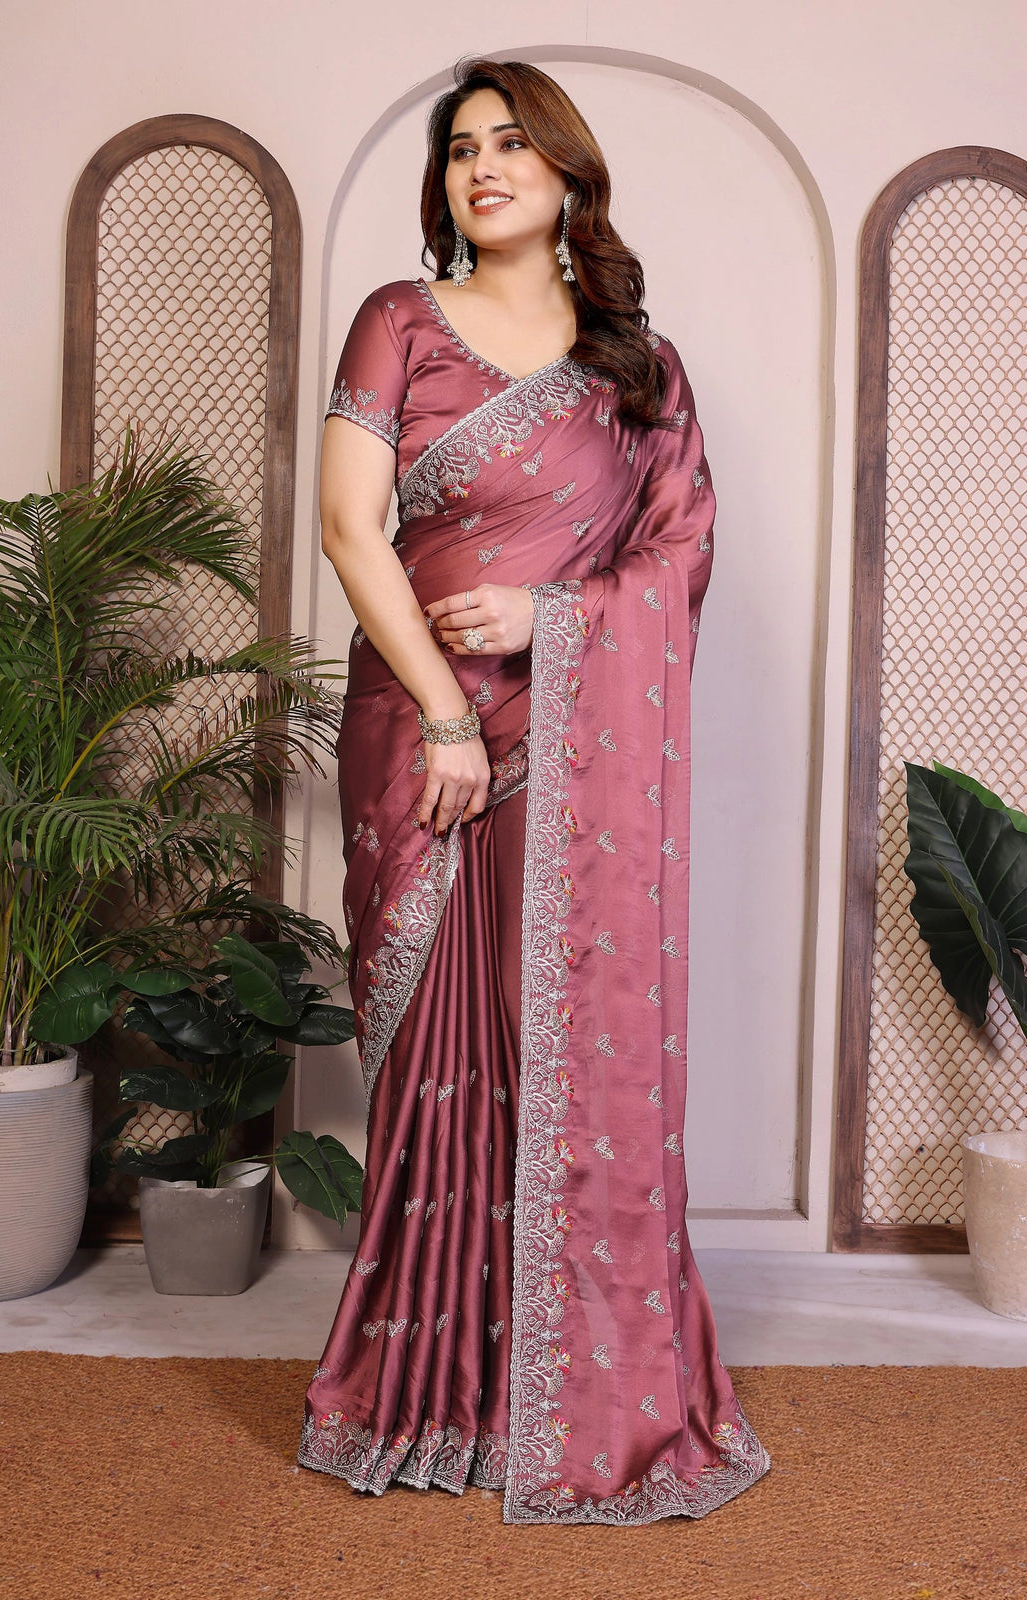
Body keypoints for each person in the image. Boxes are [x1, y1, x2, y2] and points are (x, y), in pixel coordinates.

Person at [297, 55, 771, 1526]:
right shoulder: (399, 320)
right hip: (427, 733)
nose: (484, 168)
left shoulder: (640, 368)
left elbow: (678, 558)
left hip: (574, 747)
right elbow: (348, 525)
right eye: (460, 150)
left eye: (512, 144)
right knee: (443, 1051)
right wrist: (448, 713)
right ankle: (431, 1387)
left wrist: (549, 621)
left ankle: (565, 1391)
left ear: (569, 175)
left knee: (556, 1042)